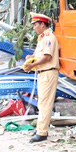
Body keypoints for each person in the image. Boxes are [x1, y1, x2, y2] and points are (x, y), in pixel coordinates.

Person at [23, 13, 60, 143]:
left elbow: (47, 57)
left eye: (35, 25)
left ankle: (42, 133)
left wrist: (33, 65)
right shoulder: (42, 38)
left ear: (42, 25)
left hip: (48, 72)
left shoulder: (49, 38)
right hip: (43, 73)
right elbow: (39, 55)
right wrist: (31, 58)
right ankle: (40, 128)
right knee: (41, 102)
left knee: (45, 103)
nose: (34, 28)